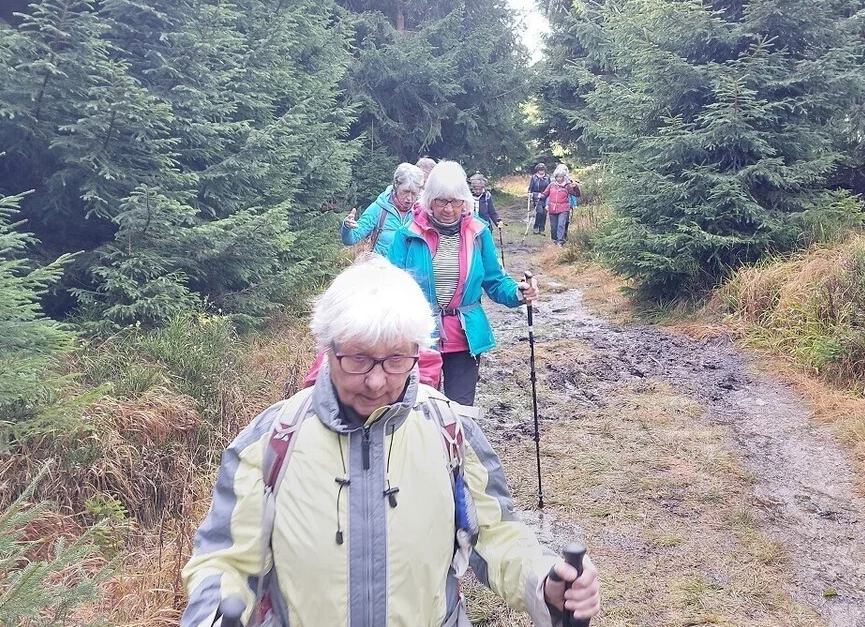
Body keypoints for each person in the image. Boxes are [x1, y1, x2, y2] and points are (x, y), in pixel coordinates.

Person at [181, 257, 601, 627]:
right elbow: (225, 559)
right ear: (327, 350)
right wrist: (212, 614)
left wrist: (545, 581)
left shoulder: (450, 430)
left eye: (397, 359)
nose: (377, 380)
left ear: (418, 351)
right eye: (359, 359)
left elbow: (495, 535)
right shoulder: (272, 441)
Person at [388, 161, 538, 406]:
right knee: (419, 409)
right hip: (420, 337)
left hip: (464, 338)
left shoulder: (478, 232)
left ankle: (455, 446)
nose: (449, 209)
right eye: (441, 201)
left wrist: (518, 292)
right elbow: (390, 286)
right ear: (429, 200)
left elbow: (495, 281)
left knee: (460, 412)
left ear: (465, 201)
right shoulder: (407, 234)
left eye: (456, 201)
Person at [341, 162, 423, 256]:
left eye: (414, 193)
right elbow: (351, 240)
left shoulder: (421, 212)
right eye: (406, 191)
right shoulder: (378, 209)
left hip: (409, 270)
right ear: (396, 185)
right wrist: (347, 227)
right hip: (380, 268)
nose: (409, 198)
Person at [544, 165, 581, 247]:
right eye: (557, 177)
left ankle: (561, 240)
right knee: (554, 226)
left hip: (565, 207)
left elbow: (575, 195)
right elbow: (547, 195)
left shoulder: (569, 184)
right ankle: (555, 240)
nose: (559, 179)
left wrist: (576, 188)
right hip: (553, 208)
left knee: (562, 224)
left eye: (561, 177)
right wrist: (546, 203)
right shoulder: (552, 184)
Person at [527, 163, 550, 235]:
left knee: (544, 213)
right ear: (537, 170)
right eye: (540, 170)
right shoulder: (534, 177)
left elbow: (550, 186)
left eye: (543, 170)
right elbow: (530, 187)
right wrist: (530, 193)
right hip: (536, 196)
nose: (541, 171)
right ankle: (536, 227)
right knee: (539, 212)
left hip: (546, 196)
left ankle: (542, 228)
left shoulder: (547, 177)